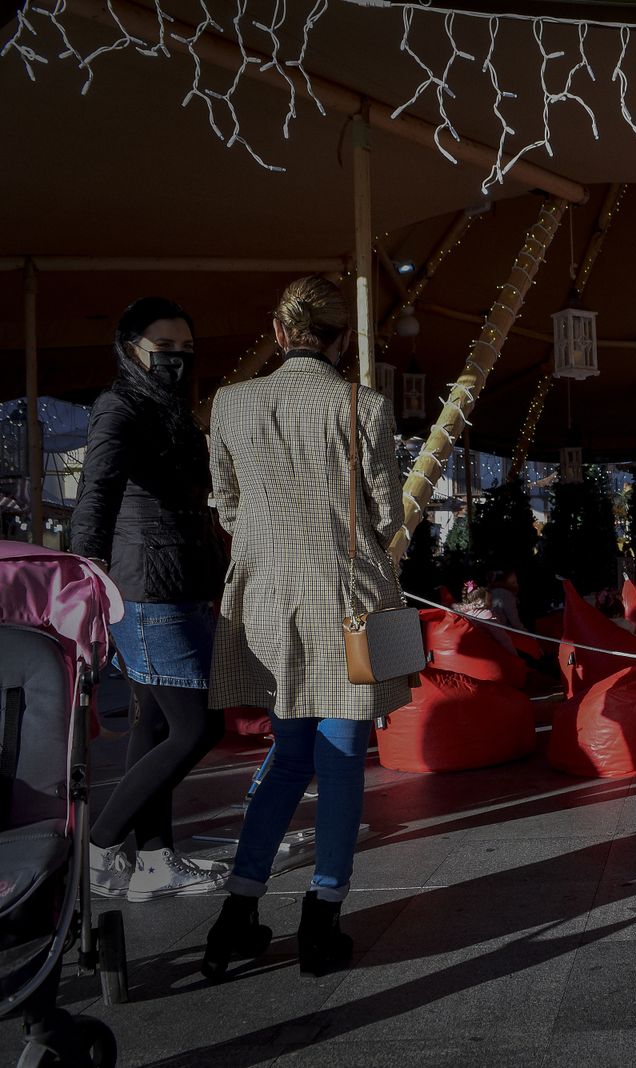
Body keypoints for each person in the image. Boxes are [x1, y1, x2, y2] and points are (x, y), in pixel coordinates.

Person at [200, 276, 409, 981]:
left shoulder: (230, 402)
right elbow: (385, 512)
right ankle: (322, 917)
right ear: (341, 339)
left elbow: (224, 505)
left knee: (289, 753)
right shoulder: (362, 403)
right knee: (343, 753)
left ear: (280, 331)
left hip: (265, 599)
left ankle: (237, 910)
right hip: (346, 595)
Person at [72, 297, 230, 903]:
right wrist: (88, 575)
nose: (176, 362)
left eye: (186, 352)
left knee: (157, 724)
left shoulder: (171, 408)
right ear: (130, 348)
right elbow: (97, 493)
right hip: (148, 589)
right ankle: (102, 842)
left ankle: (157, 860)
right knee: (198, 727)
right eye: (164, 350)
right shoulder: (119, 405)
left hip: (182, 580)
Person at [455, 579, 516, 653]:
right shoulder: (487, 615)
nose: (491, 603)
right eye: (490, 600)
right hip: (489, 650)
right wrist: (514, 655)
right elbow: (503, 639)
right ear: (480, 601)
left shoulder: (462, 614)